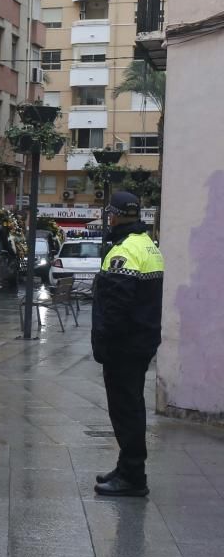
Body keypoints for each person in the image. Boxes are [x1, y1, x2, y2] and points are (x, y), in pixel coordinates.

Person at [92, 191, 164, 497]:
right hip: (142, 341)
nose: (109, 219)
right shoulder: (149, 246)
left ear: (117, 215)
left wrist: (105, 340)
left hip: (125, 345)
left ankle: (133, 475)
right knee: (131, 405)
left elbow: (116, 304)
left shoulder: (125, 250)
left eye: (111, 214)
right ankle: (126, 466)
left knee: (125, 410)